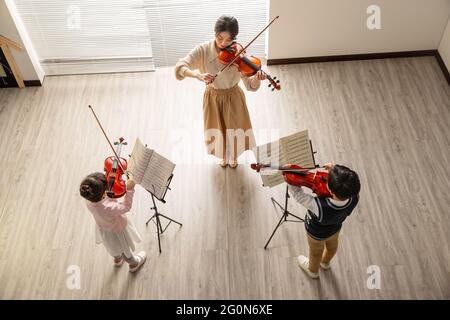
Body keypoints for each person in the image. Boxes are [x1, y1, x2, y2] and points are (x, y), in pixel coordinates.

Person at [175, 15, 265, 168]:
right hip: (213, 97)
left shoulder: (238, 53)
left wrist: (257, 78)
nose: (223, 44)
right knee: (217, 130)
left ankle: (234, 155)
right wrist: (197, 75)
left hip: (233, 96)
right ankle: (223, 154)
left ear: (234, 39)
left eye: (229, 40)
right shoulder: (203, 50)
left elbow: (250, 85)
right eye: (219, 38)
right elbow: (180, 68)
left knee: (236, 129)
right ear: (214, 33)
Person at [289, 163, 361, 279]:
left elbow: (299, 196)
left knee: (315, 252)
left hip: (316, 234)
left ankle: (312, 270)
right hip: (335, 229)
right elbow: (346, 182)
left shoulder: (319, 206)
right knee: (332, 247)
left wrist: (291, 181)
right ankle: (325, 263)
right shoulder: (354, 196)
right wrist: (334, 170)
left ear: (331, 192)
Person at [79, 172, 146, 273]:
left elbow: (103, 199)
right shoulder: (108, 207)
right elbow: (126, 207)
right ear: (103, 195)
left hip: (104, 229)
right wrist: (130, 190)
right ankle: (133, 263)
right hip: (117, 231)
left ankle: (118, 259)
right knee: (125, 250)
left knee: (113, 247)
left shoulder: (89, 199)